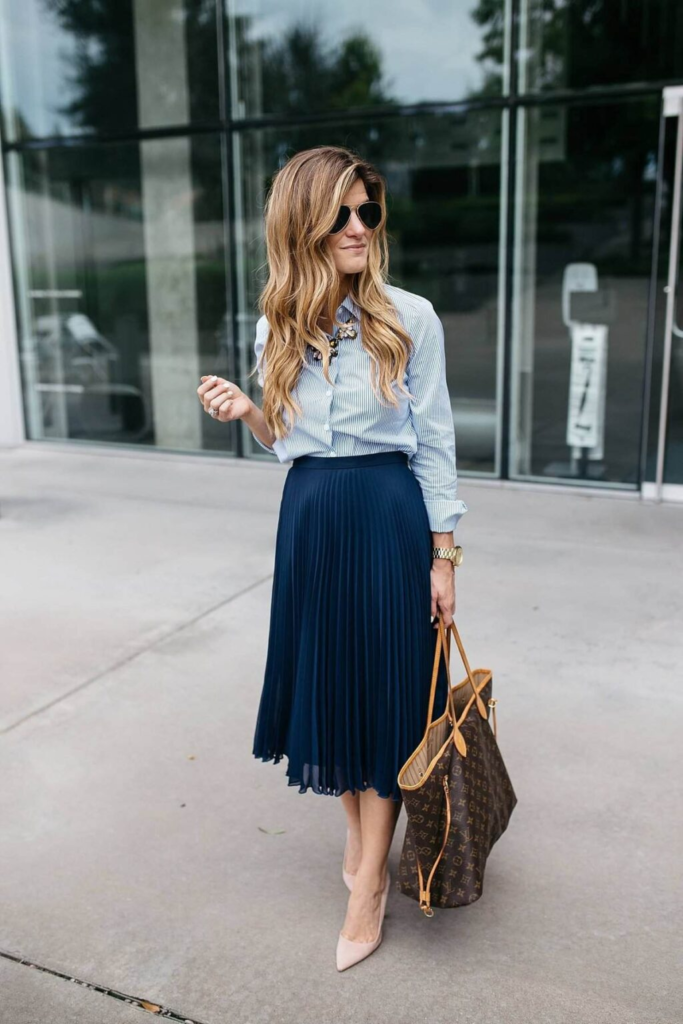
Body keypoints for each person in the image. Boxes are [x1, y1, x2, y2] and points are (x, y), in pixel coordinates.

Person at [196, 145, 468, 970]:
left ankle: (368, 887)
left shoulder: (409, 316)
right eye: (341, 214)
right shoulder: (276, 321)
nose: (358, 228)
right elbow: (290, 444)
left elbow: (436, 445)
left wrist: (444, 554)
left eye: (367, 212)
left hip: (386, 515)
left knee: (387, 694)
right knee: (332, 684)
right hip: (311, 516)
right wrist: (248, 409)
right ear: (303, 225)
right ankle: (360, 838)